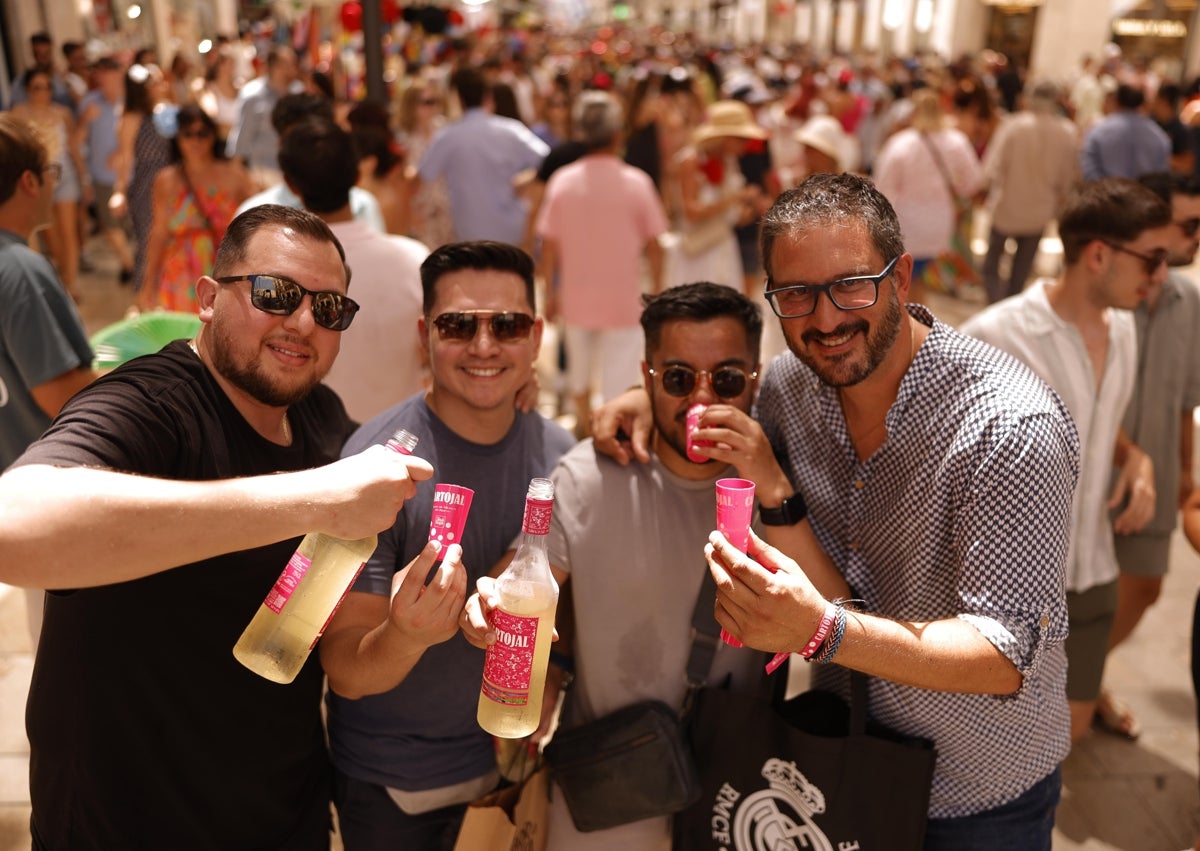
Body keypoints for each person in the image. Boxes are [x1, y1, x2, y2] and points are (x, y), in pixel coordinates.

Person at [593, 173, 1081, 849]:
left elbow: (1003, 652)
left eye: (852, 284)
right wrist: (647, 395)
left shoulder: (1007, 426)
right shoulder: (795, 385)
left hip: (974, 794)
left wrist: (823, 630)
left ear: (902, 277)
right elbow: (719, 403)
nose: (825, 318)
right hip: (835, 763)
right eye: (796, 294)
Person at [0, 203, 434, 848]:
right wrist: (311, 498)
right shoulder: (152, 403)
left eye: (330, 308)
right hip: (123, 823)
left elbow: (345, 638)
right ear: (207, 298)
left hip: (281, 812)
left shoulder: (319, 415)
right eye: (277, 294)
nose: (303, 322)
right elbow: (15, 526)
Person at [466, 282, 827, 851]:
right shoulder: (587, 476)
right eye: (679, 379)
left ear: (755, 378)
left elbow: (834, 618)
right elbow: (519, 582)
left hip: (737, 799)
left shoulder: (782, 488)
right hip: (607, 795)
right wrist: (488, 605)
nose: (702, 402)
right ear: (647, 375)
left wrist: (773, 485)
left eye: (727, 381)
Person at [320, 240, 576, 850]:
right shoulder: (374, 462)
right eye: (458, 325)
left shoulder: (562, 459)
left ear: (535, 336)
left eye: (507, 325)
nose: (484, 346)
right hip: (393, 787)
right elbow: (345, 670)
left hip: (510, 775)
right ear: (424, 334)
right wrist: (409, 632)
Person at [961, 177, 1170, 744]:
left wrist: (1137, 459)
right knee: (1005, 746)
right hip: (1012, 585)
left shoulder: (1124, 329)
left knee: (1066, 736)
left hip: (1096, 570)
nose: (1162, 276)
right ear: (1099, 255)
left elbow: (1099, 421)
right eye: (1153, 259)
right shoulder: (995, 335)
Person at [1095, 171, 1200, 738]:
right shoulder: (1110, 295)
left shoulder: (1190, 301)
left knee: (1146, 584)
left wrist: (1186, 468)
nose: (1195, 236)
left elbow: (1187, 399)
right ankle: (1076, 684)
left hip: (1156, 466)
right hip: (1093, 470)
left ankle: (1084, 673)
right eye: (1188, 225)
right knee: (1083, 583)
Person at [0, 115, 101, 646]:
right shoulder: (19, 268)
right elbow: (61, 392)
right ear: (29, 181)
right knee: (73, 656)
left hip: (18, 492)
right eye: (51, 170)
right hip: (51, 491)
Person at [279, 115, 429, 422]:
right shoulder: (415, 261)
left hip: (313, 458)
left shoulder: (276, 275)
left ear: (290, 183)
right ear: (358, 174)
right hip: (401, 447)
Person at [536, 90, 669, 433]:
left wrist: (549, 293)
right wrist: (657, 289)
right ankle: (612, 431)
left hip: (576, 298)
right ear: (617, 135)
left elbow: (548, 247)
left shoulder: (562, 182)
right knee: (619, 379)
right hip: (624, 299)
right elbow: (656, 246)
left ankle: (586, 427)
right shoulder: (636, 182)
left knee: (578, 375)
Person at [138, 103, 254, 313]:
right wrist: (148, 283)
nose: (195, 141)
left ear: (213, 135)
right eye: (188, 134)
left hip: (224, 269)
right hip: (179, 272)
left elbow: (258, 218)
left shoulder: (234, 175)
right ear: (177, 138)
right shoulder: (166, 180)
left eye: (202, 133)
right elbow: (159, 232)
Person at [414, 66, 549, 246]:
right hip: (512, 230)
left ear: (458, 99)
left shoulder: (448, 136)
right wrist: (524, 180)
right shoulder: (511, 129)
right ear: (488, 97)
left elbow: (424, 174)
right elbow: (549, 160)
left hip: (469, 234)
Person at [873, 87, 984, 304]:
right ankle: (917, 323)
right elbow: (972, 182)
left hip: (907, 222)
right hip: (940, 222)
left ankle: (907, 326)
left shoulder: (901, 143)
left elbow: (882, 187)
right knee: (917, 279)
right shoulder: (957, 142)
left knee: (904, 279)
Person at [980, 80, 1079, 303]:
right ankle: (1009, 306)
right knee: (1021, 268)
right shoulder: (1067, 131)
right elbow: (1068, 178)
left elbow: (992, 168)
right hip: (1040, 210)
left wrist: (984, 191)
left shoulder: (1014, 125)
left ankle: (993, 302)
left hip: (1007, 205)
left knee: (993, 261)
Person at [235, 92, 386, 233]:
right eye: (301, 143)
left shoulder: (363, 205)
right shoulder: (255, 217)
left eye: (321, 141)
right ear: (282, 146)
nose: (314, 152)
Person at [668, 100, 768, 293]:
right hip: (697, 251)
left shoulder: (730, 163)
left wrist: (745, 211)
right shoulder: (691, 161)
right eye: (741, 138)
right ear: (724, 137)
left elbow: (728, 215)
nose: (746, 144)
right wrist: (733, 199)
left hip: (723, 246)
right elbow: (691, 212)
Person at [11, 67, 87, 301]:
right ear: (27, 90)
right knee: (50, 237)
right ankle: (58, 283)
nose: (43, 92)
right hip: (37, 180)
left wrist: (84, 177)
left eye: (47, 87)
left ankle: (69, 286)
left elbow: (73, 147)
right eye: (37, 87)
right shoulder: (18, 113)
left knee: (69, 233)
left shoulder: (62, 112)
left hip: (65, 176)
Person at [109, 62, 173, 294]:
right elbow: (125, 158)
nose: (161, 84)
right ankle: (144, 295)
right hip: (147, 185)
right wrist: (119, 192)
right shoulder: (132, 117)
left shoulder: (165, 110)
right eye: (155, 81)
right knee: (147, 241)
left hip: (172, 182)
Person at [77, 55, 135, 284]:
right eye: (101, 77)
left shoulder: (132, 102)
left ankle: (135, 265)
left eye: (111, 77)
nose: (106, 83)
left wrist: (122, 153)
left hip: (132, 176)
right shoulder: (90, 102)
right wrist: (84, 119)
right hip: (102, 177)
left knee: (134, 225)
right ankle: (128, 264)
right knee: (110, 225)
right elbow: (76, 139)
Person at [227, 44, 300, 189]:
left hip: (296, 172)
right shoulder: (252, 96)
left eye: (294, 64)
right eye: (287, 65)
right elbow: (242, 138)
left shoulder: (298, 92)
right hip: (265, 174)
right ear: (274, 67)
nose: (293, 70)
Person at [1080, 84, 1170, 182]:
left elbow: (1089, 173)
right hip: (1143, 195)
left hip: (1106, 194)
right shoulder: (1159, 136)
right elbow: (1161, 177)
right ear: (1142, 103)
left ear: (1116, 102)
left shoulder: (1097, 132)